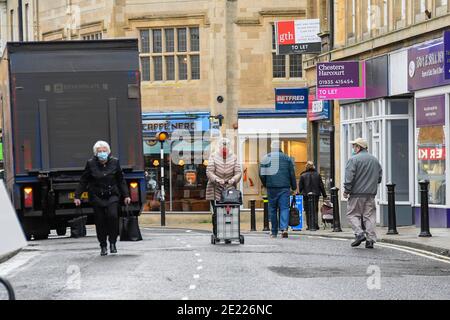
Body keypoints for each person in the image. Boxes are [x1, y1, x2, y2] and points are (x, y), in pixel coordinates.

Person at [74, 141, 131, 256]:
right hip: (97, 196)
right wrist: (77, 196)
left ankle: (113, 243)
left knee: (113, 216)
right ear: (96, 153)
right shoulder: (90, 164)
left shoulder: (115, 162)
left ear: (108, 152)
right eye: (99, 151)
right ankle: (103, 245)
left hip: (112, 195)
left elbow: (121, 180)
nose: (102, 153)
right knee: (100, 221)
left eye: (104, 151)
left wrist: (126, 195)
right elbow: (84, 180)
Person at [343, 138, 382, 249]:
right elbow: (379, 178)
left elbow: (349, 177)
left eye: (354, 146)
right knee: (369, 217)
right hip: (370, 194)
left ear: (359, 147)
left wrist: (346, 190)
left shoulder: (353, 160)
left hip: (356, 194)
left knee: (352, 214)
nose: (353, 148)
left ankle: (359, 233)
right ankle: (370, 240)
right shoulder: (375, 160)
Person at [205, 138, 242, 240]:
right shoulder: (213, 156)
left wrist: (233, 179)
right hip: (215, 188)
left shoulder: (234, 157)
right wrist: (217, 179)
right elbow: (209, 171)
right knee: (217, 212)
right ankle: (216, 232)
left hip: (229, 190)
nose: (224, 149)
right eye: (222, 147)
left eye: (226, 147)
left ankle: (230, 232)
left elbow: (238, 172)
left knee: (230, 212)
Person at [259, 141, 297, 239]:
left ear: (271, 148)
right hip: (284, 187)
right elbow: (292, 174)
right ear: (280, 147)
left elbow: (262, 174)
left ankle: (274, 232)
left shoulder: (266, 158)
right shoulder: (287, 158)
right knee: (284, 208)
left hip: (271, 187)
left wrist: (265, 184)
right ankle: (284, 228)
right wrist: (294, 187)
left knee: (272, 209)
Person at [299, 161, 327, 230]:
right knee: (315, 210)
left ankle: (309, 225)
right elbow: (321, 186)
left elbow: (300, 187)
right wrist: (324, 195)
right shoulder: (317, 175)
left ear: (306, 167)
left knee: (307, 210)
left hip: (306, 195)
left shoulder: (303, 175)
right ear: (313, 167)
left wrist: (301, 193)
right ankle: (315, 224)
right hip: (316, 195)